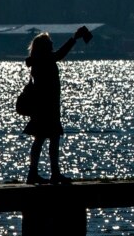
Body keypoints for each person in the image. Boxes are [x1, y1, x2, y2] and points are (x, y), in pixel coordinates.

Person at [22, 25, 93, 184]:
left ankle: (36, 173)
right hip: (46, 108)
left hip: (45, 108)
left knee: (41, 140)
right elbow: (60, 54)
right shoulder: (44, 60)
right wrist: (74, 38)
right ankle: (50, 173)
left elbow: (58, 55)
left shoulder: (38, 60)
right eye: (50, 43)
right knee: (49, 139)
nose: (52, 45)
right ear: (44, 47)